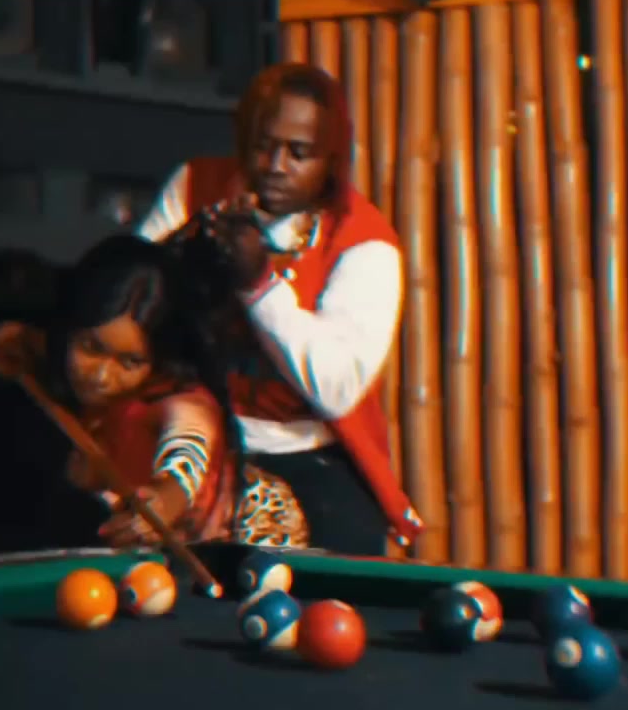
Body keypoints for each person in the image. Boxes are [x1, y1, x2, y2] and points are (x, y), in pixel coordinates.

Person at [134, 62, 423, 556]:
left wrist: (259, 285)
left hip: (305, 448)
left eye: (299, 153)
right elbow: (129, 302)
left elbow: (335, 390)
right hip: (188, 430)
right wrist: (183, 252)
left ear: (330, 161)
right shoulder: (195, 186)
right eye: (262, 146)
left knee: (346, 556)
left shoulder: (365, 244)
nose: (275, 165)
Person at [0, 235, 309, 549]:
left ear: (159, 359)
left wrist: (164, 503)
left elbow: (186, 458)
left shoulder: (185, 402)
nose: (101, 375)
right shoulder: (62, 351)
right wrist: (15, 340)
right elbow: (21, 340)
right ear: (69, 329)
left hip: (254, 529)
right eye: (91, 347)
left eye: (130, 361)